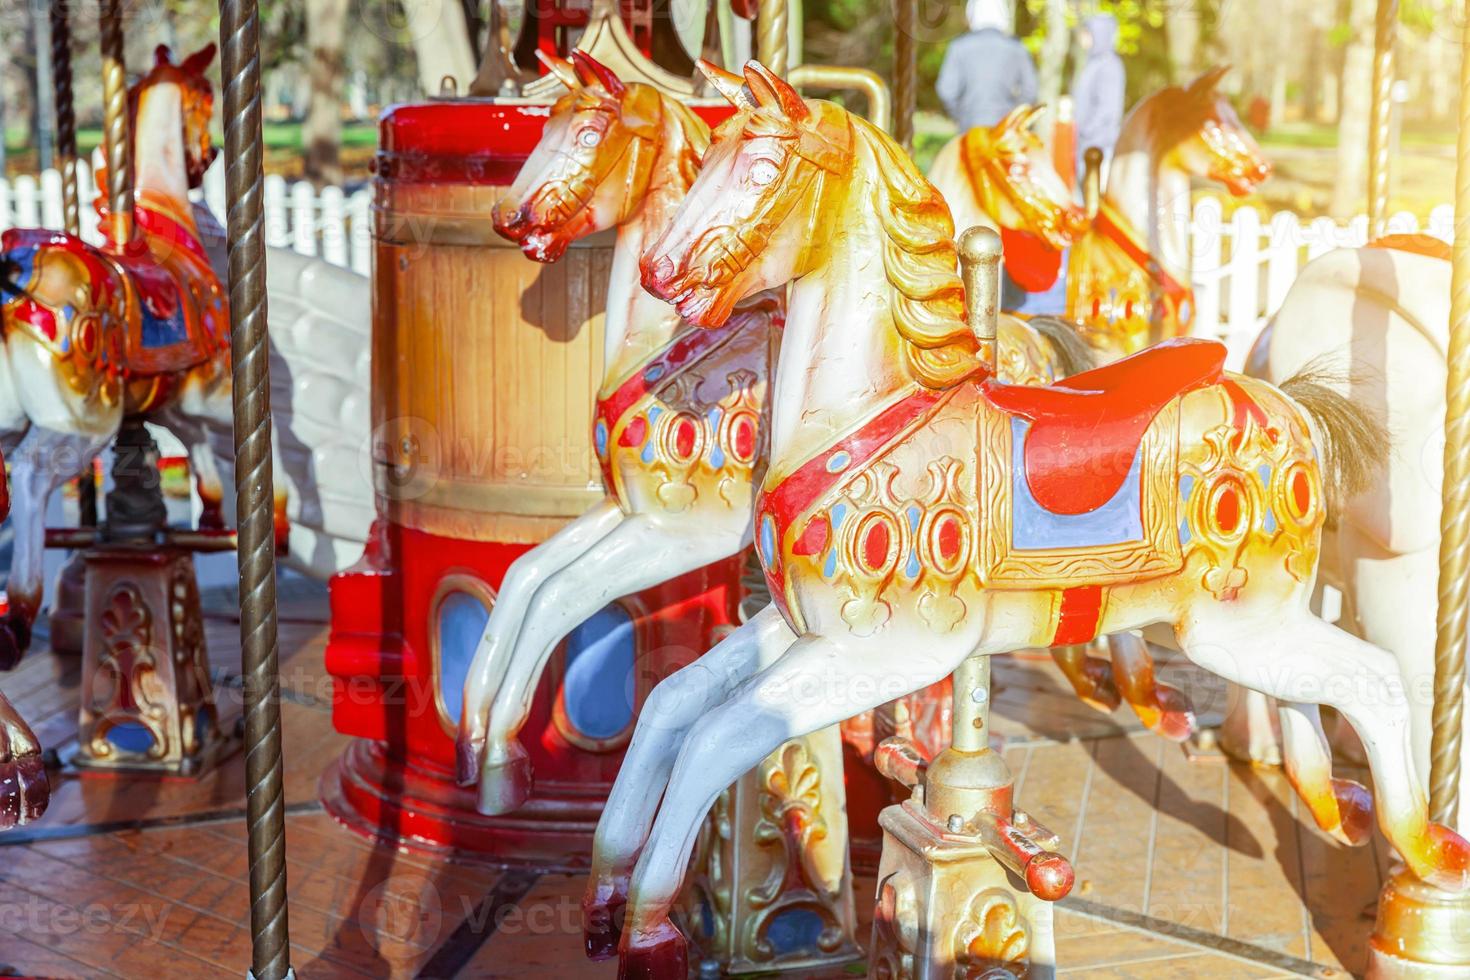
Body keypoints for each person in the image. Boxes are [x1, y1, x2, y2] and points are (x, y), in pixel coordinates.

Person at [936, 0, 1039, 133]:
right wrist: (1013, 119)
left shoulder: (959, 47)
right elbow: (1030, 91)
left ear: (971, 15)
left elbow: (946, 91)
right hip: (1006, 133)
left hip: (970, 130)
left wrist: (961, 115)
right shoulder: (1017, 48)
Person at [1073, 13, 1125, 185]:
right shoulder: (1093, 64)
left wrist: (1087, 130)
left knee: (1095, 199)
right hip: (1086, 145)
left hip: (1099, 148)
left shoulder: (1109, 65)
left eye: (1087, 33)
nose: (1082, 38)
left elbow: (1108, 109)